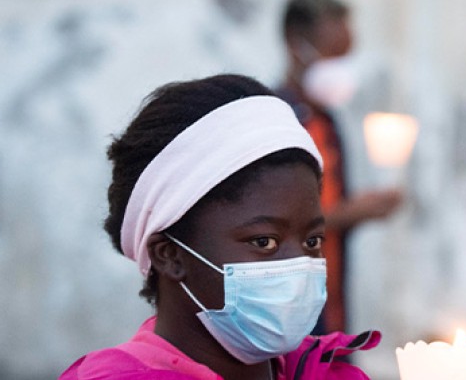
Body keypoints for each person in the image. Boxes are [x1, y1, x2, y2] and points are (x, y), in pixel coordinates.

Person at [61, 74, 381, 380]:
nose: (298, 266)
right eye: (264, 241)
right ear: (169, 254)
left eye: (312, 241)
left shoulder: (325, 370)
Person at [275, 0, 403, 334]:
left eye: (346, 59)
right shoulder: (275, 121)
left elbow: (328, 205)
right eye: (331, 57)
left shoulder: (329, 121)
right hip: (290, 311)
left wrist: (362, 208)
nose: (341, 71)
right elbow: (278, 222)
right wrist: (354, 211)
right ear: (295, 44)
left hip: (333, 305)